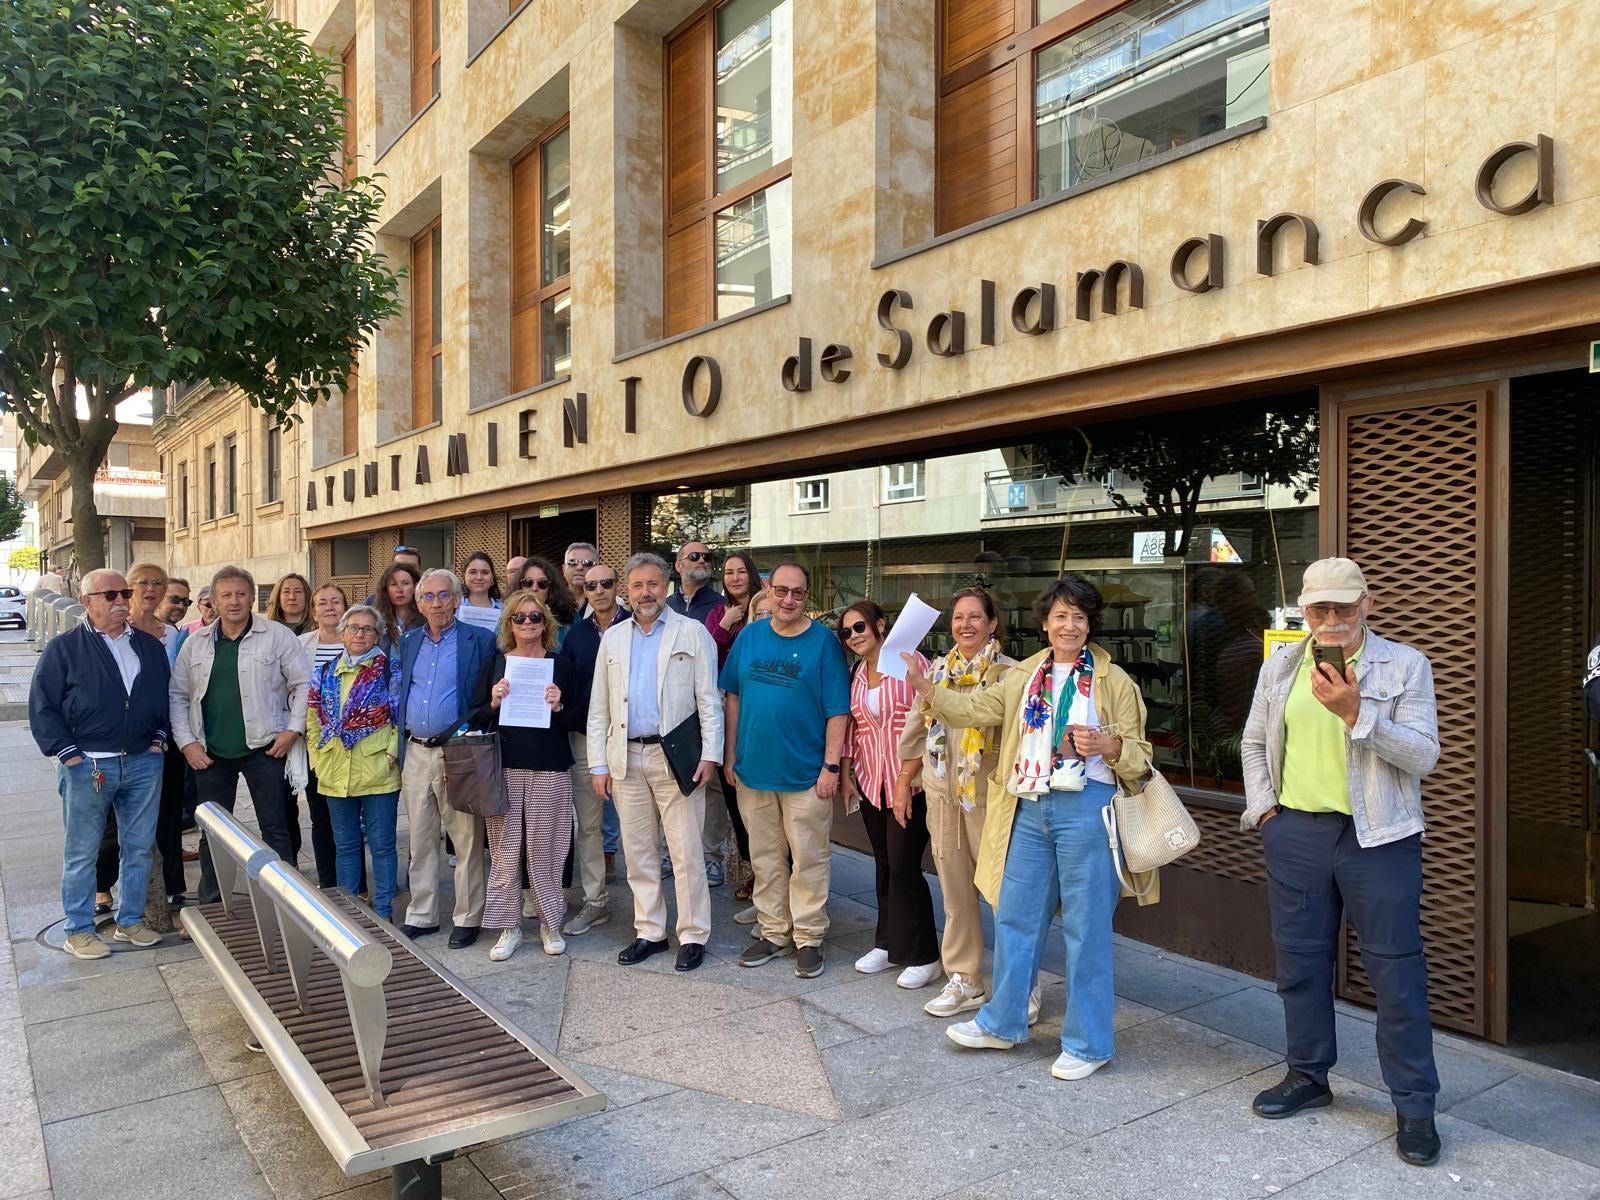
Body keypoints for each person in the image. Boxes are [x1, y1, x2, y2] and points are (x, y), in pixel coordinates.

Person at [905, 573, 1159, 1081]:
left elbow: (1141, 758)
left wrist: (1109, 747)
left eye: (1079, 617)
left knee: (1087, 930)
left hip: (1089, 806)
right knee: (1015, 919)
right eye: (1060, 616)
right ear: (1045, 624)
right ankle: (1002, 1021)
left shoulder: (1115, 682)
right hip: (1028, 804)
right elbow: (973, 710)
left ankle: (1089, 1044)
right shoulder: (1022, 676)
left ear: (1090, 626)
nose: (1069, 625)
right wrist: (927, 689)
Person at [1239, 558, 1443, 1167]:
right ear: (1303, 609)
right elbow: (1254, 742)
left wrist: (1359, 714)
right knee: (1300, 964)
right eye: (1319, 609)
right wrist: (1267, 813)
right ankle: (1308, 1075)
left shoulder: (1403, 665)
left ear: (1366, 606)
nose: (1331, 621)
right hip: (1297, 832)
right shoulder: (1281, 666)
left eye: (1343, 608)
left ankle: (1414, 1105)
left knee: (1396, 975)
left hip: (1379, 838)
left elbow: (1425, 756)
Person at [588, 553, 722, 972]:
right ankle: (650, 931)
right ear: (627, 591)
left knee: (685, 853)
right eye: (637, 585)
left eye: (653, 584)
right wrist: (598, 765)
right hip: (626, 757)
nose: (645, 592)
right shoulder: (612, 638)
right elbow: (599, 709)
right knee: (639, 852)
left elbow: (709, 700)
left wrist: (711, 755)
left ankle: (693, 934)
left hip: (676, 758)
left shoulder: (693, 632)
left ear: (666, 585)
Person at [29, 569, 169, 958]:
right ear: (87, 602)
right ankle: (79, 930)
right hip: (88, 765)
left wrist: (158, 739)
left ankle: (130, 922)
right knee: (83, 851)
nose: (120, 600)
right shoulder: (65, 649)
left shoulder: (148, 646)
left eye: (124, 592)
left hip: (143, 763)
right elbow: (43, 706)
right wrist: (66, 752)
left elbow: (162, 698)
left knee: (139, 848)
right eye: (109, 595)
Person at [721, 561, 850, 978]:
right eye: (781, 591)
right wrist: (729, 755)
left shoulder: (823, 643)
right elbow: (733, 699)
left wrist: (831, 766)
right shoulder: (750, 637)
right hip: (753, 770)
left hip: (806, 773)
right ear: (769, 592)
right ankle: (774, 931)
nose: (788, 599)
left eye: (797, 592)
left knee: (810, 858)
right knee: (765, 858)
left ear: (806, 597)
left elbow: (837, 711)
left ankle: (809, 936)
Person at [896, 587, 1017, 1018]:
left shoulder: (1011, 674)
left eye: (975, 617)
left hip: (991, 797)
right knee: (955, 892)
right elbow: (914, 730)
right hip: (942, 793)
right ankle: (965, 979)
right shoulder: (938, 671)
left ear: (992, 623)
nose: (966, 625)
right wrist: (903, 780)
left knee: (1005, 894)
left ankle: (1020, 983)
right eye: (959, 618)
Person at [172, 566, 310, 904]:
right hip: (210, 752)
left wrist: (293, 730)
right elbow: (177, 695)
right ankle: (213, 903)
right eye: (226, 595)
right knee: (213, 833)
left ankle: (287, 900)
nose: (234, 601)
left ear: (252, 597)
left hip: (264, 748)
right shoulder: (195, 643)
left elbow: (304, 684)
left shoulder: (277, 636)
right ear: (214, 601)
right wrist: (187, 743)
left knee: (275, 828)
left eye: (241, 594)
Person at [470, 590, 580, 959]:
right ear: (509, 624)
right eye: (520, 617)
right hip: (504, 765)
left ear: (546, 623)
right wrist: (494, 702)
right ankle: (509, 926)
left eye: (535, 617)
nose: (528, 623)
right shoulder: (496, 663)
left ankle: (550, 923)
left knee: (547, 848)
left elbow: (578, 718)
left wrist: (559, 704)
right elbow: (475, 716)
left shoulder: (559, 664)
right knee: (504, 849)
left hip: (549, 764)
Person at [839, 601, 941, 988]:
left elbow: (932, 720)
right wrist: (849, 775)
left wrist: (907, 775)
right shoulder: (857, 674)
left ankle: (924, 953)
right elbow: (855, 728)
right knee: (883, 863)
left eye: (860, 627)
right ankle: (887, 942)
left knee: (904, 866)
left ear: (880, 625)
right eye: (846, 632)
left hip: (908, 783)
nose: (854, 636)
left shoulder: (909, 660)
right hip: (870, 780)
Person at [394, 568, 497, 946]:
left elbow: (488, 697)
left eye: (443, 596)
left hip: (459, 752)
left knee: (466, 839)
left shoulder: (480, 640)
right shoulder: (408, 642)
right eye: (429, 597)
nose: (436, 603)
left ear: (456, 600)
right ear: (419, 603)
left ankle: (469, 917)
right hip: (416, 751)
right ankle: (422, 914)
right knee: (420, 838)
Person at [305, 604, 400, 920]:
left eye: (368, 629)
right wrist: (317, 761)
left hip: (377, 772)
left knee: (382, 847)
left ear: (377, 635)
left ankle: (384, 911)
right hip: (335, 771)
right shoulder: (324, 673)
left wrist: (390, 755)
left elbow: (400, 719)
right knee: (345, 848)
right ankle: (352, 914)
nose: (360, 633)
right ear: (342, 633)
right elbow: (313, 720)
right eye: (354, 628)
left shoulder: (389, 671)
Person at [556, 561, 627, 936]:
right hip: (586, 742)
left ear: (618, 587)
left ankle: (649, 910)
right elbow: (566, 686)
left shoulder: (636, 628)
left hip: (631, 742)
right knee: (589, 826)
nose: (598, 590)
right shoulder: (577, 636)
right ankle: (596, 901)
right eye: (591, 585)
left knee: (637, 828)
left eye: (606, 583)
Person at [666, 541, 731, 887]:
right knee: (671, 779)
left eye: (707, 557)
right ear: (678, 565)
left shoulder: (720, 606)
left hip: (709, 704)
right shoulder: (666, 606)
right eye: (694, 556)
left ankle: (711, 857)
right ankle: (671, 852)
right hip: (673, 710)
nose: (702, 561)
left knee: (714, 787)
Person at [710, 550, 760, 900]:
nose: (736, 578)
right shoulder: (717, 612)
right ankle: (753, 869)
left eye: (742, 571)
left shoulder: (767, 606)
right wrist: (726, 623)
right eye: (729, 572)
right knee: (735, 799)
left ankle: (771, 872)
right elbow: (705, 656)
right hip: (728, 709)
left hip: (761, 712)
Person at [300, 584, 354, 889]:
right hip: (317, 742)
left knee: (350, 816)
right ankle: (328, 882)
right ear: (314, 610)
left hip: (353, 744)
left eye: (336, 601)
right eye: (323, 603)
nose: (330, 607)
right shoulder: (301, 644)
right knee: (320, 816)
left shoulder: (359, 640)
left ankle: (355, 883)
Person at [516, 556, 579, 648]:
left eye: (542, 583)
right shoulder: (508, 615)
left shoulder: (571, 617)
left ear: (551, 588)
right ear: (520, 586)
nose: (534, 588)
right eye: (528, 582)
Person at [373, 561, 422, 652]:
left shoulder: (425, 619)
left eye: (405, 583)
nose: (399, 589)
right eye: (393, 584)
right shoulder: (377, 620)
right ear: (386, 589)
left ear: (415, 587)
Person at [457, 551, 503, 633]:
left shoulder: (505, 609)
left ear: (492, 578)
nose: (479, 577)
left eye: (485, 572)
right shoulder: (454, 607)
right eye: (473, 572)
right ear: (464, 576)